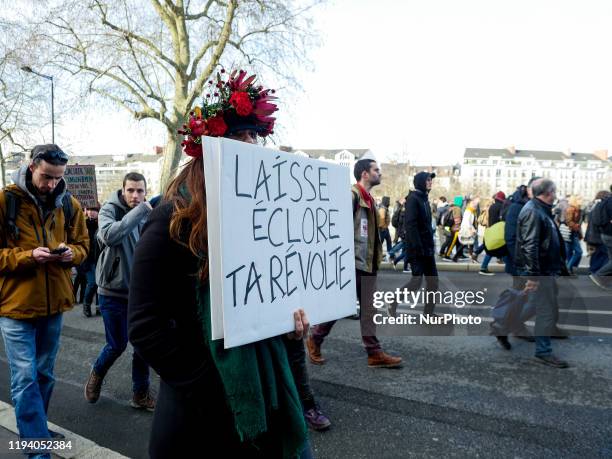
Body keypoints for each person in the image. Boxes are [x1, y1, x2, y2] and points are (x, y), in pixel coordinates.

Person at [128, 69, 315, 457]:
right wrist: (214, 384)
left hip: (259, 402)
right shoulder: (172, 216)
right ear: (208, 144)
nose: (248, 145)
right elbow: (145, 326)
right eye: (237, 136)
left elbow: (262, 297)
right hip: (196, 416)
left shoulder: (263, 215)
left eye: (254, 136)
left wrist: (288, 326)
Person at [0, 144, 89, 454]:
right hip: (15, 307)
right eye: (46, 176)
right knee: (25, 378)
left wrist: (69, 255)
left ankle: (36, 430)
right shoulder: (5, 200)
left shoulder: (70, 204)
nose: (51, 184)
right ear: (31, 165)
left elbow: (83, 246)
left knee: (44, 375)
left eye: (57, 177)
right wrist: (27, 257)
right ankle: (37, 447)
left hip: (54, 306)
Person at [308, 159, 403, 369]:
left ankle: (374, 353)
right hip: (352, 263)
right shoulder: (351, 196)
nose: (380, 173)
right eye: (376, 170)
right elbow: (337, 230)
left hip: (367, 263)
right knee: (339, 307)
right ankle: (315, 339)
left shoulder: (369, 198)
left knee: (368, 310)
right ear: (364, 174)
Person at [84, 172, 155, 411]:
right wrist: (141, 211)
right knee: (117, 345)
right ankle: (97, 373)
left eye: (140, 191)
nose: (135, 196)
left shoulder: (149, 213)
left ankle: (140, 394)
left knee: (143, 346)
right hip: (112, 293)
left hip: (140, 294)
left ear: (146, 192)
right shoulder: (109, 210)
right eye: (131, 190)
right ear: (122, 191)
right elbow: (110, 235)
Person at [516, 179, 569, 368]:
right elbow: (530, 246)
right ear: (548, 192)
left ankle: (507, 324)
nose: (556, 194)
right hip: (540, 271)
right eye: (554, 191)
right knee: (545, 311)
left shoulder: (540, 208)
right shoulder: (533, 211)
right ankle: (543, 352)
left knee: (538, 305)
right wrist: (533, 276)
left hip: (546, 269)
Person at [388, 172, 439, 318]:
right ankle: (393, 301)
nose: (430, 182)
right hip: (418, 250)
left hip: (428, 249)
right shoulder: (413, 199)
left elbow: (426, 226)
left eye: (431, 180)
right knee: (416, 282)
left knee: (433, 282)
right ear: (421, 182)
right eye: (428, 180)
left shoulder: (424, 199)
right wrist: (417, 248)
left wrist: (430, 245)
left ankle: (428, 314)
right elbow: (411, 226)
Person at [473, 191, 506, 275]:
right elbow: (502, 219)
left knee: (491, 247)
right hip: (498, 231)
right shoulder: (501, 207)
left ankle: (478, 256)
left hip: (490, 229)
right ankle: (483, 267)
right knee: (493, 249)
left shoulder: (492, 206)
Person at [80, 205, 101, 317]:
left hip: (99, 259)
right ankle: (86, 304)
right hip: (88, 260)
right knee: (92, 283)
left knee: (99, 284)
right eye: (90, 210)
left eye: (94, 210)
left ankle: (99, 308)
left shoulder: (101, 224)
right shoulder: (83, 224)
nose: (92, 212)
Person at [589, 190, 612, 290]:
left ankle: (603, 279)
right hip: (610, 234)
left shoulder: (605, 201)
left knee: (610, 259)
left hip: (604, 234)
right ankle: (598, 275)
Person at [585, 191, 610, 275]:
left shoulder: (595, 206)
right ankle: (597, 275)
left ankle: (594, 273)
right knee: (604, 258)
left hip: (593, 236)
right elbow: (599, 222)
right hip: (598, 236)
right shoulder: (601, 207)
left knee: (597, 256)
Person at [563, 195, 583, 275]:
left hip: (574, 232)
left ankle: (569, 270)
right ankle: (568, 268)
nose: (581, 201)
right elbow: (568, 221)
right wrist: (576, 227)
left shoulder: (579, 210)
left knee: (570, 253)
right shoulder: (570, 209)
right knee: (578, 252)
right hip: (570, 232)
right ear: (575, 200)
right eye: (579, 199)